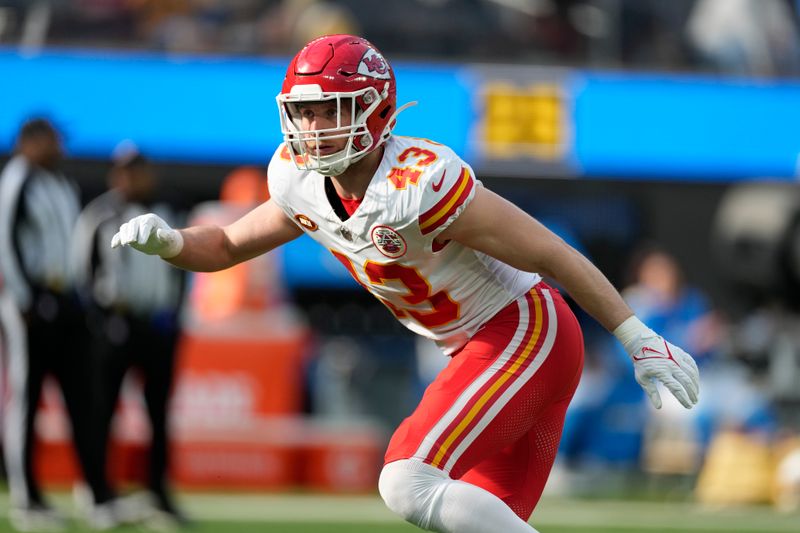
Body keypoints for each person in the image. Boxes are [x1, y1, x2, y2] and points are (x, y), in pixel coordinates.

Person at [110, 34, 700, 533]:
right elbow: (229, 244)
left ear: (376, 110)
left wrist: (635, 335)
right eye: (304, 110)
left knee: (405, 478)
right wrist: (170, 241)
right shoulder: (296, 179)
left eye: (331, 110)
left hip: (522, 332)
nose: (313, 127)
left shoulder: (420, 181)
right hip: (478, 348)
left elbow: (547, 250)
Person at [71, 142, 186, 528]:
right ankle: (98, 490)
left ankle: (158, 491)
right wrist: (102, 321)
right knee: (102, 410)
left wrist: (174, 314)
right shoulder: (101, 214)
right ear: (115, 174)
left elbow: (182, 265)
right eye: (126, 170)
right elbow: (82, 272)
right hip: (115, 326)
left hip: (156, 325)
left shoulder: (167, 211)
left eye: (138, 169)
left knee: (159, 413)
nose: (133, 177)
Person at [0, 118, 101, 531]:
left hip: (63, 301)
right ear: (31, 141)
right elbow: (4, 239)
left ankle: (97, 491)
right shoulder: (17, 178)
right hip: (29, 301)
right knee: (26, 397)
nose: (60, 147)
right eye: (53, 140)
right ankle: (26, 497)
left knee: (80, 396)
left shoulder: (59, 182)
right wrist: (24, 298)